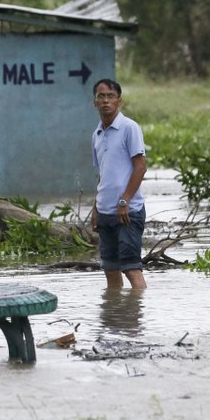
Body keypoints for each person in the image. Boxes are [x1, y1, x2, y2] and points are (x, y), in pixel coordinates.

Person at [90, 78, 147, 289]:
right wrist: (95, 207)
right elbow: (103, 174)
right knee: (110, 269)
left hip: (128, 211)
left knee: (132, 268)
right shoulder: (96, 134)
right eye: (101, 96)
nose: (106, 101)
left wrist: (125, 199)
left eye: (111, 96)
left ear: (119, 101)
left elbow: (140, 167)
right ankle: (115, 317)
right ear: (94, 102)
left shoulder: (129, 128)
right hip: (105, 213)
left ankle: (135, 317)